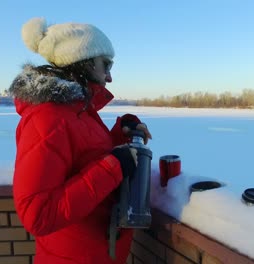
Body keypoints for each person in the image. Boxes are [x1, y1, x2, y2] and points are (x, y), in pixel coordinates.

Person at [9, 17, 152, 264]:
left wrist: (122, 132)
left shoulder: (76, 110)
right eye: (105, 65)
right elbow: (38, 215)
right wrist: (113, 166)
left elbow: (86, 156)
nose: (109, 77)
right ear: (82, 61)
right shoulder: (49, 117)